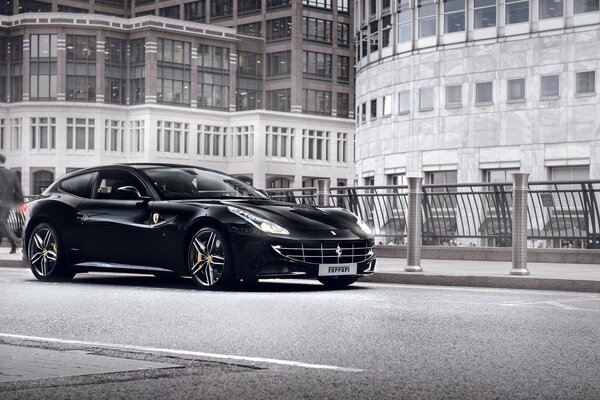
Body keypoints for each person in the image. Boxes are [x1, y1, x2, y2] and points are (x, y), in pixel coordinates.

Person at [0, 153, 24, 254]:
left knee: (2, 223)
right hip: (8, 203)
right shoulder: (12, 173)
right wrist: (21, 203)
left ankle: (15, 241)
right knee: (2, 223)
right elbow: (18, 189)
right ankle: (14, 245)